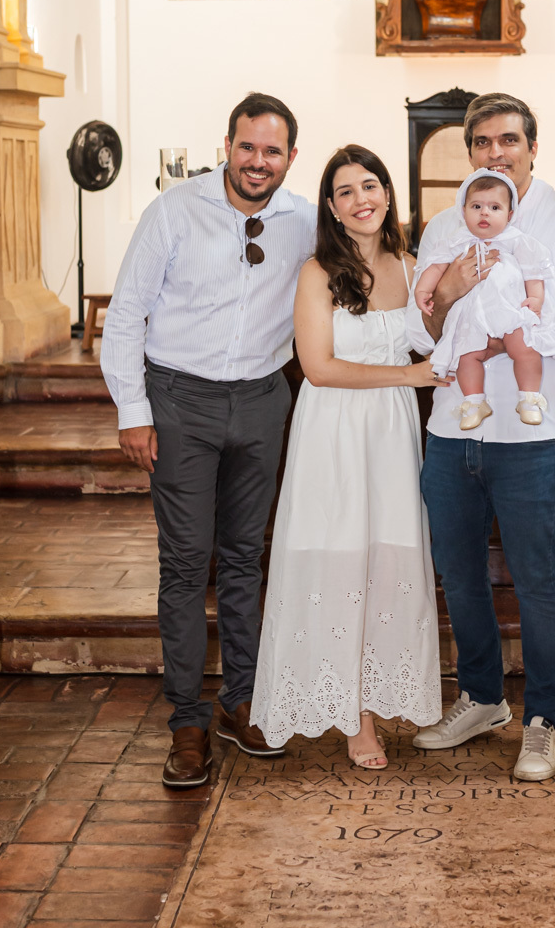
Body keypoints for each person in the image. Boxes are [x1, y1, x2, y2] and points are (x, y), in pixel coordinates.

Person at [101, 92, 316, 788]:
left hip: (260, 401)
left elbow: (358, 282)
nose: (258, 162)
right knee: (188, 563)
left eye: (272, 150)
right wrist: (134, 410)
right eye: (248, 147)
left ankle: (241, 701)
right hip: (179, 402)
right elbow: (126, 314)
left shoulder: (304, 223)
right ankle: (188, 720)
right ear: (227, 145)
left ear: (290, 157)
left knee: (246, 560)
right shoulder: (174, 211)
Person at [407, 93, 555, 781]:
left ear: (533, 147)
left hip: (535, 436)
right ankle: (479, 699)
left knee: (536, 582)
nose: (494, 152)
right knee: (461, 578)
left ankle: (541, 720)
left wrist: (513, 338)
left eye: (508, 140)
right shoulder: (447, 222)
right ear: (467, 151)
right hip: (451, 430)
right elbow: (419, 328)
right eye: (481, 143)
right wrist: (453, 295)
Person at [250, 145, 445, 767]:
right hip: (334, 429)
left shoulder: (413, 268)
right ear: (331, 209)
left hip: (390, 433)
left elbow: (435, 341)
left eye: (371, 185)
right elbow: (319, 368)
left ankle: (378, 699)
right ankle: (352, 718)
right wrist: (412, 379)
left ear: (387, 193)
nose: (362, 199)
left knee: (384, 559)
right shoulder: (317, 272)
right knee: (338, 555)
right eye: (346, 191)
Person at [415, 170, 555, 430]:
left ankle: (529, 398)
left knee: (525, 350)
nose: (484, 213)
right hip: (472, 313)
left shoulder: (515, 240)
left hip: (508, 309)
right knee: (467, 355)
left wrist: (536, 299)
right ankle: (474, 402)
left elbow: (534, 271)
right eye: (477, 206)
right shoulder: (458, 240)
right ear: (464, 212)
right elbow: (436, 265)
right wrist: (423, 290)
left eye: (494, 207)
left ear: (509, 215)